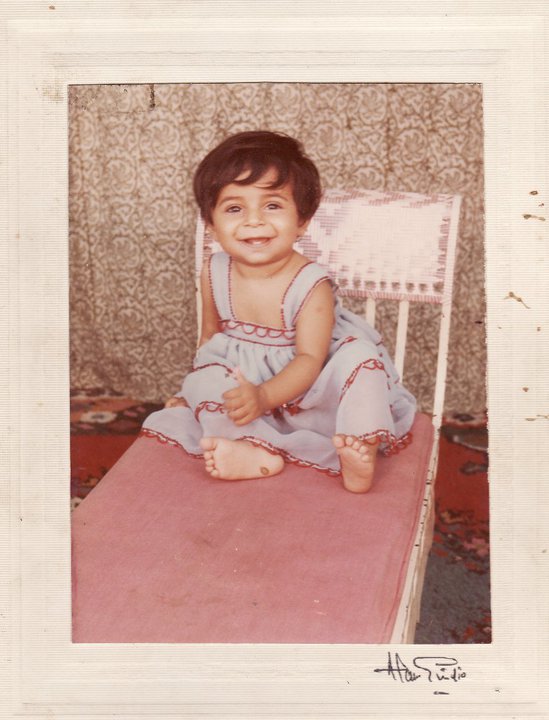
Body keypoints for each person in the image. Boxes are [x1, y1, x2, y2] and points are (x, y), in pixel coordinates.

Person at [142, 130, 416, 492]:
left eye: (272, 205)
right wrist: (193, 390)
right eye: (234, 208)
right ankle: (255, 451)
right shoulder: (214, 270)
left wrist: (265, 397)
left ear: (302, 220)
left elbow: (310, 360)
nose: (254, 221)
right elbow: (210, 339)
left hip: (311, 395)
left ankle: (356, 446)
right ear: (210, 224)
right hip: (246, 390)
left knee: (361, 357)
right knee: (205, 380)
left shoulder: (311, 284)